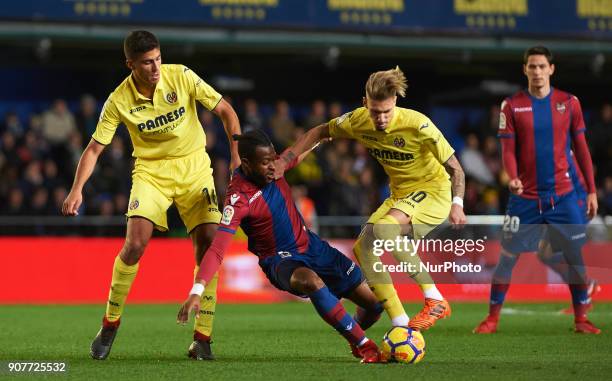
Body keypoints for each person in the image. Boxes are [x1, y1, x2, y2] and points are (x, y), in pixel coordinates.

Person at [61, 30, 241, 360]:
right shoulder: (118, 100)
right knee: (135, 243)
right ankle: (110, 323)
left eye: (158, 58)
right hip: (151, 173)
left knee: (209, 245)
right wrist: (76, 190)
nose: (156, 67)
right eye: (147, 62)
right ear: (130, 64)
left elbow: (227, 111)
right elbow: (93, 149)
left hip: (194, 169)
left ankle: (203, 338)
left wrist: (236, 156)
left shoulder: (182, 76)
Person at [276, 67, 467, 331]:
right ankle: (401, 324)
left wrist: (458, 203)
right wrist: (286, 160)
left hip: (434, 192)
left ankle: (434, 298)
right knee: (363, 247)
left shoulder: (418, 124)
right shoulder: (357, 121)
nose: (381, 118)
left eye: (387, 111)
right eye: (376, 112)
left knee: (385, 231)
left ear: (396, 103)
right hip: (401, 195)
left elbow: (456, 167)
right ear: (365, 103)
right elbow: (319, 132)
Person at [177, 130, 385, 363]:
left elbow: (302, 146)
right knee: (310, 281)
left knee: (375, 305)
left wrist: (321, 138)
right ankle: (364, 345)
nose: (272, 167)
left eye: (273, 159)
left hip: (313, 247)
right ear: (246, 163)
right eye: (265, 162)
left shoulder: (275, 167)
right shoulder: (238, 200)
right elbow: (216, 250)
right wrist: (196, 291)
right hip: (280, 261)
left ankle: (353, 334)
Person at [474, 46, 600, 334]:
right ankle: (492, 319)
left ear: (551, 69)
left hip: (564, 195)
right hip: (525, 197)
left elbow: (581, 149)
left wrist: (591, 191)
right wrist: (512, 177)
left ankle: (581, 318)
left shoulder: (569, 103)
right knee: (507, 257)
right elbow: (508, 150)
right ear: (525, 69)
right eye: (532, 66)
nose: (537, 72)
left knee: (574, 257)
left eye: (542, 66)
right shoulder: (512, 105)